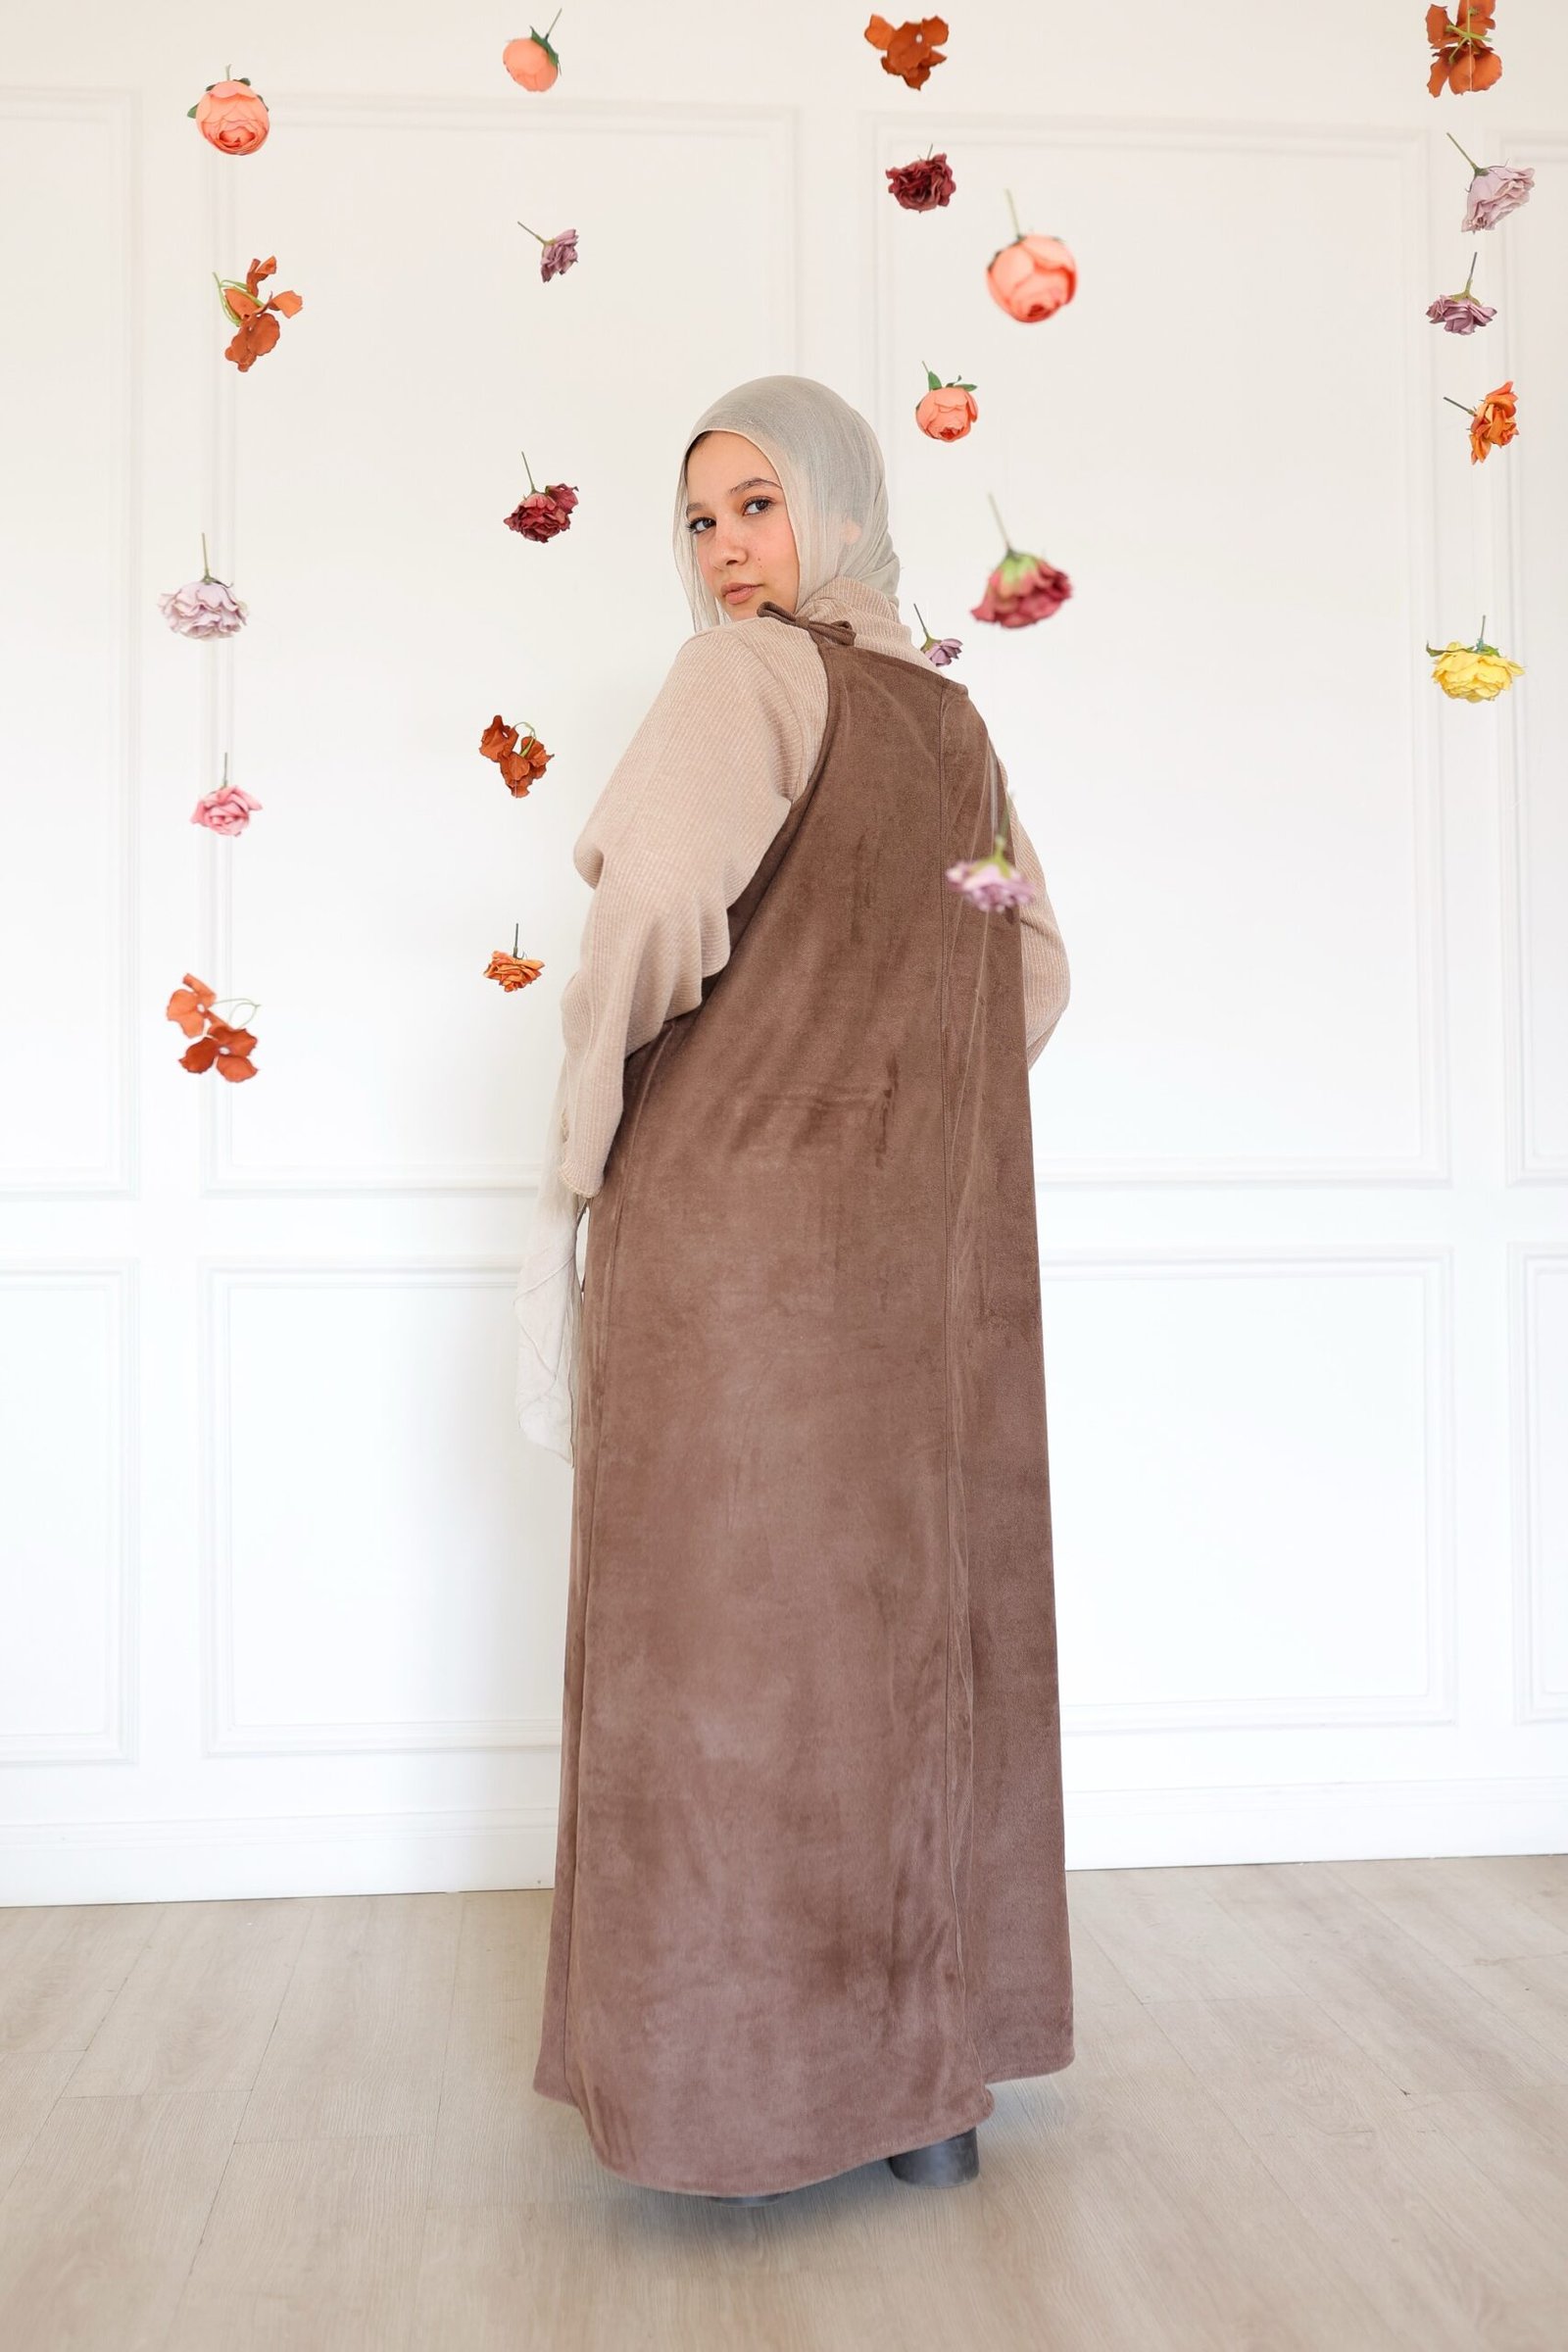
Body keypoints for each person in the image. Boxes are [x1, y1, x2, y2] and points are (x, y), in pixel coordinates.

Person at [514, 374, 1073, 2202]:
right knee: (900, 1643)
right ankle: (930, 2103)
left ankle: (726, 2105)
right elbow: (1029, 968)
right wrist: (900, 1119)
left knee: (720, 1657)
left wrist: (594, 1131)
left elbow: (654, 910)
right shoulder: (952, 727)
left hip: (729, 1263)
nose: (726, 551)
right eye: (699, 520)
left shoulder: (743, 682)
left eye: (758, 504)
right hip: (910, 1264)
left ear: (834, 503)